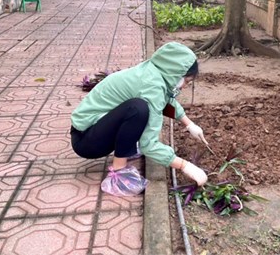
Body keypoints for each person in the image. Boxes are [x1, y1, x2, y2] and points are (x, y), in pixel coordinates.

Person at [70, 42, 209, 195]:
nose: (185, 86)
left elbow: (163, 102)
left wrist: (189, 124)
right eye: (187, 81)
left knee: (140, 108)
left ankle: (125, 149)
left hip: (93, 129)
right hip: (86, 140)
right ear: (176, 74)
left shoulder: (153, 72)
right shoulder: (151, 86)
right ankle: (119, 173)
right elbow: (149, 145)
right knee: (138, 109)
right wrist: (185, 165)